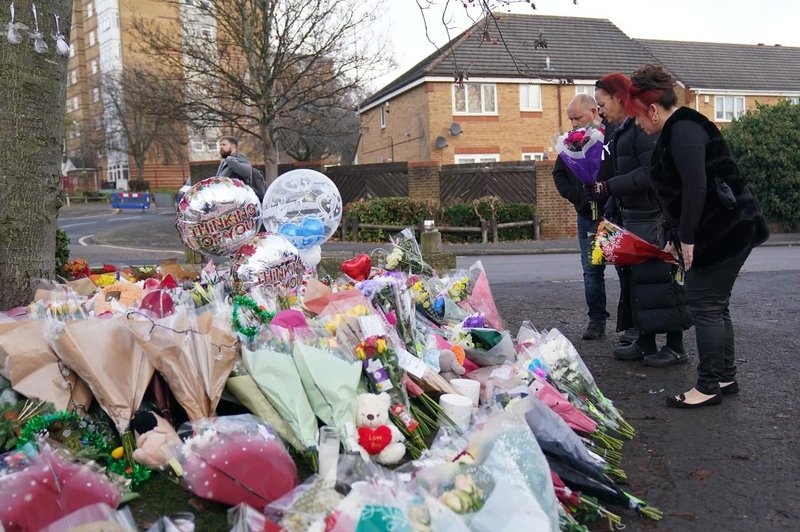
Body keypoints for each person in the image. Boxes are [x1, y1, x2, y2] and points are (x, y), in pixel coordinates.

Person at [626, 64, 769, 408]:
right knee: (716, 306)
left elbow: (696, 185)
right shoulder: (679, 128)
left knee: (705, 304)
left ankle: (707, 387)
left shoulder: (685, 128)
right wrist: (675, 235)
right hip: (724, 230)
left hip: (723, 232)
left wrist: (687, 238)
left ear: (653, 110)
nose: (637, 124)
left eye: (638, 117)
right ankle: (724, 376)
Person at [591, 73, 691, 367]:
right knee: (638, 282)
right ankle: (645, 340)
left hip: (653, 216)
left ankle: (675, 346)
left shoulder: (640, 130)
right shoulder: (621, 129)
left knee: (662, 281)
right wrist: (610, 201)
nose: (600, 111)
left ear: (619, 98)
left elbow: (651, 173)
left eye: (602, 103)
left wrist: (611, 187)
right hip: (631, 215)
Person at [552, 94, 609, 340]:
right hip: (586, 215)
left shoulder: (609, 137)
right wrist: (578, 196)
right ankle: (596, 320)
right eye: (571, 119)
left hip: (612, 215)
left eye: (578, 117)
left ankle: (633, 326)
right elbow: (559, 174)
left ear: (594, 112)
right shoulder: (570, 143)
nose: (573, 124)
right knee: (591, 270)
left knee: (628, 269)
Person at [216, 136, 266, 201]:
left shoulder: (239, 157)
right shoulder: (223, 162)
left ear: (233, 147)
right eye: (220, 145)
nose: (221, 147)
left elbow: (246, 172)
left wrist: (230, 160)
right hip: (228, 201)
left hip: (241, 201)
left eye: (224, 145)